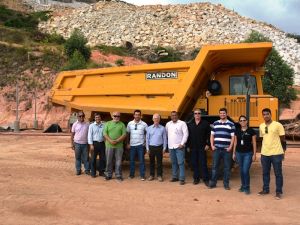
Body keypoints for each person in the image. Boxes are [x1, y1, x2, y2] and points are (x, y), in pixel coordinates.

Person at [258, 108, 286, 200]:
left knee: (278, 173)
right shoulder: (261, 126)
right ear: (263, 116)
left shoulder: (278, 125)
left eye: (267, 114)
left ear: (271, 114)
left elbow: (283, 139)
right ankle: (266, 189)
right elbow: (263, 139)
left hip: (276, 153)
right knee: (265, 173)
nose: (266, 116)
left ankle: (278, 192)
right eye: (264, 114)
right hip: (265, 153)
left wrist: (283, 152)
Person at [209, 108, 235, 190]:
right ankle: (213, 183)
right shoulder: (215, 123)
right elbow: (212, 135)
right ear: (219, 114)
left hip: (226, 150)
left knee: (227, 168)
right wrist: (212, 146)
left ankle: (226, 184)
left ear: (226, 114)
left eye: (224, 113)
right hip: (216, 149)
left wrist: (230, 147)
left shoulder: (231, 124)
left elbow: (233, 137)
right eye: (221, 113)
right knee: (214, 167)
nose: (222, 114)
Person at [233, 115, 257, 194]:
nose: (242, 122)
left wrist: (254, 154)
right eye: (241, 120)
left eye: (244, 120)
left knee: (245, 170)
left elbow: (254, 143)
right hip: (239, 153)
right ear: (239, 122)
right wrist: (234, 153)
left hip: (248, 154)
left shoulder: (251, 131)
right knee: (241, 171)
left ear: (247, 121)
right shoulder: (237, 131)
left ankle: (247, 187)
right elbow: (235, 142)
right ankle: (243, 186)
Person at [187, 109, 211, 186]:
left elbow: (209, 135)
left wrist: (208, 144)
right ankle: (196, 178)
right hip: (193, 147)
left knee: (203, 163)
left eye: (199, 113)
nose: (197, 114)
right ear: (193, 115)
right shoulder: (190, 124)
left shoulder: (205, 124)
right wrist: (187, 146)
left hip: (202, 147)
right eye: (195, 113)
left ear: (201, 114)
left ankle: (205, 179)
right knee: (194, 163)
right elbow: (188, 136)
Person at [166, 111, 189, 185]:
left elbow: (186, 134)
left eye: (175, 115)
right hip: (171, 146)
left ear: (178, 116)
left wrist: (182, 143)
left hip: (179, 146)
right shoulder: (168, 124)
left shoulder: (182, 123)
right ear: (171, 116)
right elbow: (167, 134)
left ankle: (182, 179)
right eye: (172, 115)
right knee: (173, 162)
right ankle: (175, 177)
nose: (174, 117)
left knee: (181, 163)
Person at [103, 112, 126, 181]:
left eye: (118, 116)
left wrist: (117, 141)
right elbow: (104, 133)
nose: (116, 117)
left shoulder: (122, 124)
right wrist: (110, 140)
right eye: (115, 116)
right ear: (112, 116)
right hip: (109, 145)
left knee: (118, 161)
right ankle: (108, 175)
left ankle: (118, 175)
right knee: (109, 161)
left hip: (119, 146)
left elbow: (124, 134)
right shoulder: (108, 123)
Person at [127, 110, 148, 181]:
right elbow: (127, 134)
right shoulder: (130, 123)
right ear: (134, 115)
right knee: (132, 160)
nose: (137, 116)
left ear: (140, 116)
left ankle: (142, 175)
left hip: (140, 145)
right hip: (132, 145)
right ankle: (131, 175)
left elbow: (147, 134)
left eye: (138, 114)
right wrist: (128, 143)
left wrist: (145, 143)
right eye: (136, 114)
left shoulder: (144, 124)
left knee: (141, 161)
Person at [146, 113, 167, 182]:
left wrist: (164, 148)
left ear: (159, 119)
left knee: (159, 162)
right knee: (151, 162)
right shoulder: (149, 128)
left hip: (159, 147)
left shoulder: (162, 128)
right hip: (151, 147)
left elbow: (165, 139)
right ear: (152, 119)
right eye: (155, 118)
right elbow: (147, 139)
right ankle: (152, 175)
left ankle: (159, 175)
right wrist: (147, 148)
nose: (156, 119)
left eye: (157, 118)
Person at [71, 111, 90, 175]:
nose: (81, 117)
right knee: (78, 158)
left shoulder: (87, 124)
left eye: (82, 116)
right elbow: (72, 135)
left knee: (86, 158)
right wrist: (72, 143)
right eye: (80, 116)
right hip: (77, 144)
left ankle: (87, 170)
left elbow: (89, 134)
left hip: (85, 144)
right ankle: (78, 170)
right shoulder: (75, 124)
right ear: (77, 117)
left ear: (84, 116)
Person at [88, 113, 106, 178]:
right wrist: (91, 145)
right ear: (94, 118)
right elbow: (89, 136)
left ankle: (101, 172)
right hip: (94, 144)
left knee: (102, 159)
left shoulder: (104, 125)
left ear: (100, 118)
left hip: (102, 143)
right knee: (93, 159)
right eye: (96, 117)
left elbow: (105, 134)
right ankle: (93, 173)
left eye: (98, 117)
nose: (97, 118)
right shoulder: (91, 126)